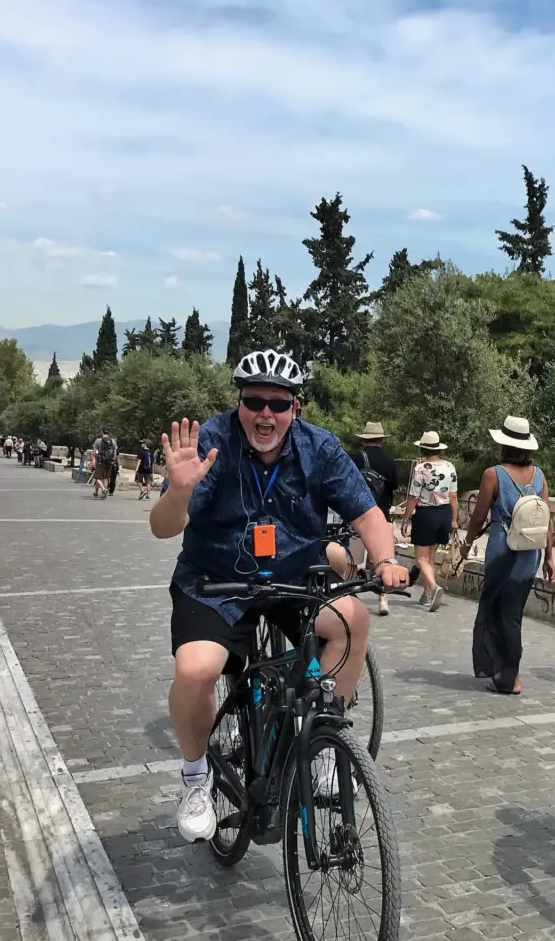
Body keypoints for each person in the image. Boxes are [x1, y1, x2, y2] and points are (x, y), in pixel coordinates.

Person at [149, 348, 409, 843]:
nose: (265, 414)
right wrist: (178, 491)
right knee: (196, 670)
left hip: (292, 581)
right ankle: (195, 776)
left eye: (278, 403)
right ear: (239, 402)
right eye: (254, 401)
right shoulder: (210, 442)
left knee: (352, 619)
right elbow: (164, 528)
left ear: (295, 407)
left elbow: (366, 514)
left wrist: (387, 560)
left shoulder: (320, 448)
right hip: (217, 582)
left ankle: (326, 742)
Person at [462, 416, 554, 696]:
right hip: (530, 554)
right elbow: (546, 520)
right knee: (512, 613)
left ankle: (509, 678)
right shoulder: (539, 475)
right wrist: (549, 557)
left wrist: (467, 543)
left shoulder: (494, 474)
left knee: (499, 613)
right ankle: (508, 671)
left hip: (503, 551)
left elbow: (479, 516)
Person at [400, 431, 458, 611]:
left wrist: (405, 519)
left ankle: (433, 588)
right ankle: (426, 595)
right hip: (445, 513)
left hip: (427, 514)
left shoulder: (420, 468)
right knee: (430, 557)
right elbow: (453, 496)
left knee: (420, 558)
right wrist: (454, 519)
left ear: (422, 448)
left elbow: (413, 497)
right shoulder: (450, 467)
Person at [349, 422, 399, 616]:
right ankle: (383, 599)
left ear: (364, 439)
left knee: (352, 559)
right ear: (381, 440)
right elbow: (394, 486)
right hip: (383, 513)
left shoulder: (355, 458)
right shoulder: (390, 462)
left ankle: (350, 595)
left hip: (358, 514)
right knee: (383, 560)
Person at [92, 426, 117, 499]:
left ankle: (103, 489)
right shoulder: (113, 441)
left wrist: (97, 456)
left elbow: (93, 453)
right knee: (105, 478)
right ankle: (102, 493)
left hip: (101, 462)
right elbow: (115, 453)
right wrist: (113, 459)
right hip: (109, 462)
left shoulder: (98, 440)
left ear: (102, 432)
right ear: (109, 432)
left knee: (97, 477)